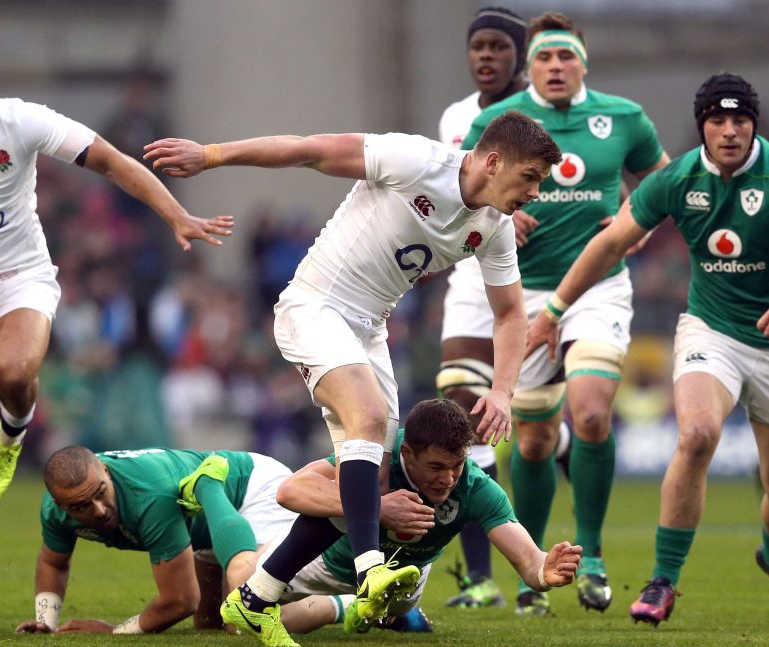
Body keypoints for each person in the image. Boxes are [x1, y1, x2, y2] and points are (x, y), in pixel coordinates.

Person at [143, 110, 561, 637]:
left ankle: (259, 594)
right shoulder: (416, 161)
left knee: (369, 479)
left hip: (369, 329)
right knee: (369, 417)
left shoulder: (494, 228)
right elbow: (308, 147)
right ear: (494, 160)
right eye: (530, 178)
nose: (535, 193)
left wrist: (503, 391)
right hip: (314, 306)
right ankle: (370, 571)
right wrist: (211, 155)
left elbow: (510, 314)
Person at [527, 73, 769, 626]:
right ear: (702, 126)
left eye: (740, 120)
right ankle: (663, 581)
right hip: (711, 331)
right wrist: (552, 310)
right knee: (696, 435)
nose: (729, 131)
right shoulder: (677, 179)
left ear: (753, 124)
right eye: (718, 120)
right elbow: (612, 240)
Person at [0, 49, 233, 624]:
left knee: (13, 372)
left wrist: (174, 215)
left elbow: (111, 161)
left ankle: (11, 438)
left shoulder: (18, 121)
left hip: (22, 279)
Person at [456, 11, 669, 615]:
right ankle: (533, 570)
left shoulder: (623, 117)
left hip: (598, 289)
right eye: (545, 58)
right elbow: (462, 191)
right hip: (520, 294)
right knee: (533, 442)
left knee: (593, 413)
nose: (555, 67)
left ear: (583, 63)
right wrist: (496, 214)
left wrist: (638, 222)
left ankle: (594, 555)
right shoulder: (495, 124)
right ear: (530, 66)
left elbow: (666, 179)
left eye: (565, 57)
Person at [227, 399, 581, 646]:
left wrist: (543, 573)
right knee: (232, 617)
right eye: (436, 467)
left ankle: (368, 608)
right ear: (407, 453)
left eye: (456, 465)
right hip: (323, 563)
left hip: (401, 585)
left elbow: (528, 560)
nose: (448, 479)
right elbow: (291, 490)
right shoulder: (376, 456)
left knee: (274, 616)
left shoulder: (475, 487)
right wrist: (375, 506)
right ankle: (355, 606)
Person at [436, 5, 530, 610]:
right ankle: (482, 577)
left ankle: (576, 558)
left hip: (541, 283)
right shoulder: (454, 117)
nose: (486, 56)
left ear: (518, 54)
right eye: (478, 47)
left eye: (498, 46)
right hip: (474, 277)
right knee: (461, 414)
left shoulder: (536, 116)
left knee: (548, 434)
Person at [14, 446, 298, 635]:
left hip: (253, 489)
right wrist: (45, 623)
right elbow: (54, 563)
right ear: (60, 504)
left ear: (106, 471)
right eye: (81, 507)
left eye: (101, 493)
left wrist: (114, 631)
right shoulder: (54, 511)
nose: (98, 510)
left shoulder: (148, 498)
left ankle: (340, 604)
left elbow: (181, 601)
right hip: (203, 523)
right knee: (208, 623)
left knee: (242, 620)